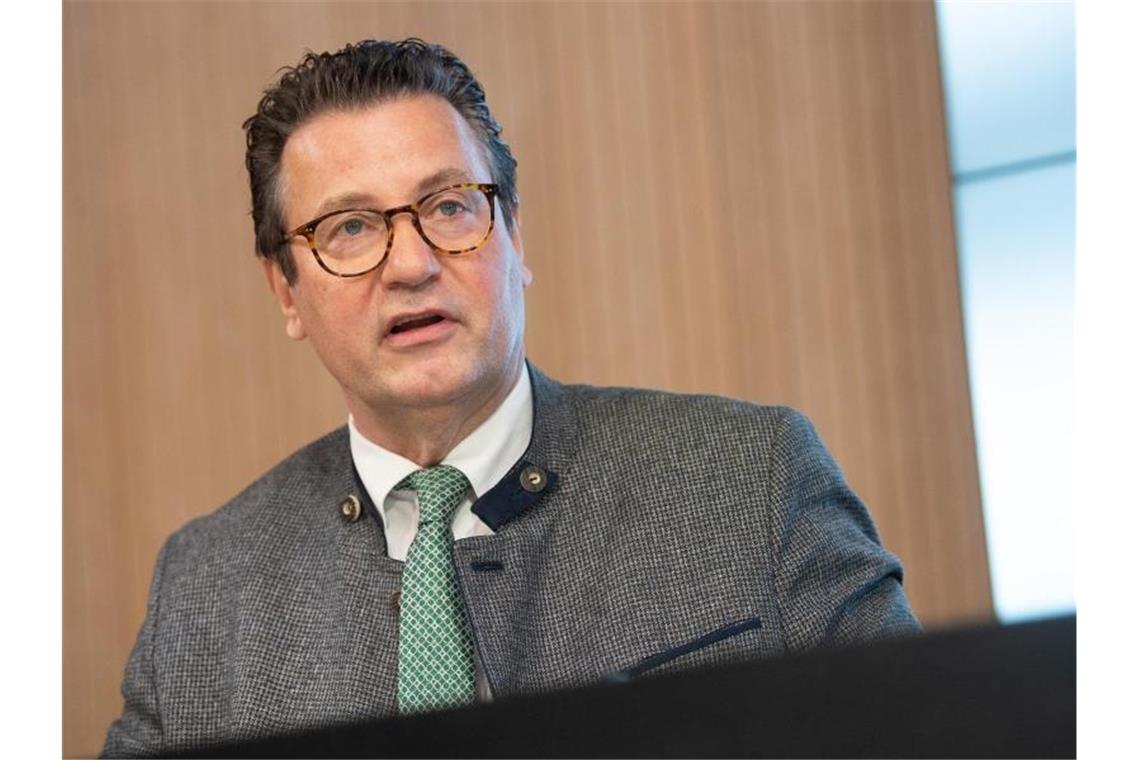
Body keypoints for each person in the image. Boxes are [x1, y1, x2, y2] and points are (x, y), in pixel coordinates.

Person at [102, 38, 920, 757]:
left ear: (515, 238)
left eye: (450, 207)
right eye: (349, 228)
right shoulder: (205, 586)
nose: (412, 264)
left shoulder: (752, 480)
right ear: (285, 290)